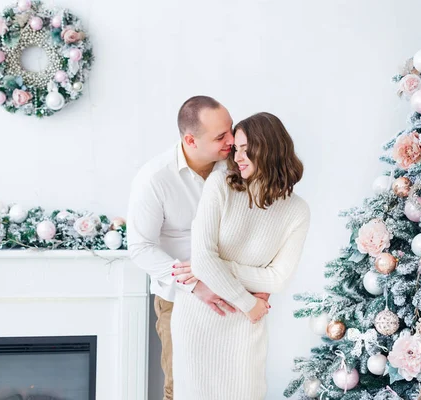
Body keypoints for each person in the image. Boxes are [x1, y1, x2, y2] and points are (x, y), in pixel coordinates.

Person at [171, 112, 310, 400]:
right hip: (201, 317)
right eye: (236, 149)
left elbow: (278, 278)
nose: (238, 157)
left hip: (246, 330)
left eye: (247, 149)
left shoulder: (297, 210)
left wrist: (212, 267)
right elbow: (203, 259)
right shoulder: (220, 185)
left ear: (270, 149)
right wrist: (247, 302)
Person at [127, 96, 240, 400]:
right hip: (178, 300)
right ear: (191, 140)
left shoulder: (236, 165)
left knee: (230, 387)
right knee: (180, 389)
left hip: (234, 296)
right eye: (221, 136)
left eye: (230, 130)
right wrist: (195, 285)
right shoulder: (154, 178)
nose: (232, 140)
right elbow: (139, 246)